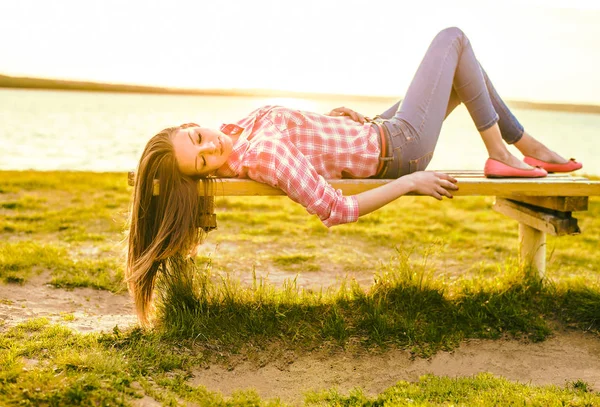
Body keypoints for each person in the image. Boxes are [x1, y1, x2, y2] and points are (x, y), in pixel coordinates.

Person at [127, 27, 582, 325]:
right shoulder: (261, 156)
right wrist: (407, 184)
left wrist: (335, 123)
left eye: (196, 136)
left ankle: (529, 148)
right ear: (202, 175)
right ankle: (504, 151)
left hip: (375, 131)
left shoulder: (240, 132)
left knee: (466, 67)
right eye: (203, 161)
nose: (211, 146)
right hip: (397, 150)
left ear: (190, 123)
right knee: (453, 40)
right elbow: (335, 209)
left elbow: (304, 144)